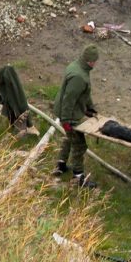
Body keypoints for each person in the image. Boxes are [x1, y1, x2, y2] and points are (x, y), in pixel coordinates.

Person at [52, 44, 99, 188]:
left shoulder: (76, 66)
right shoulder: (79, 76)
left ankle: (60, 165)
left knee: (69, 138)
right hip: (69, 115)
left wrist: (90, 108)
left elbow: (84, 93)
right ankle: (78, 177)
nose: (96, 63)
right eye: (95, 61)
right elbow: (69, 99)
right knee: (79, 145)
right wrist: (66, 120)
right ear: (90, 61)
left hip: (69, 111)